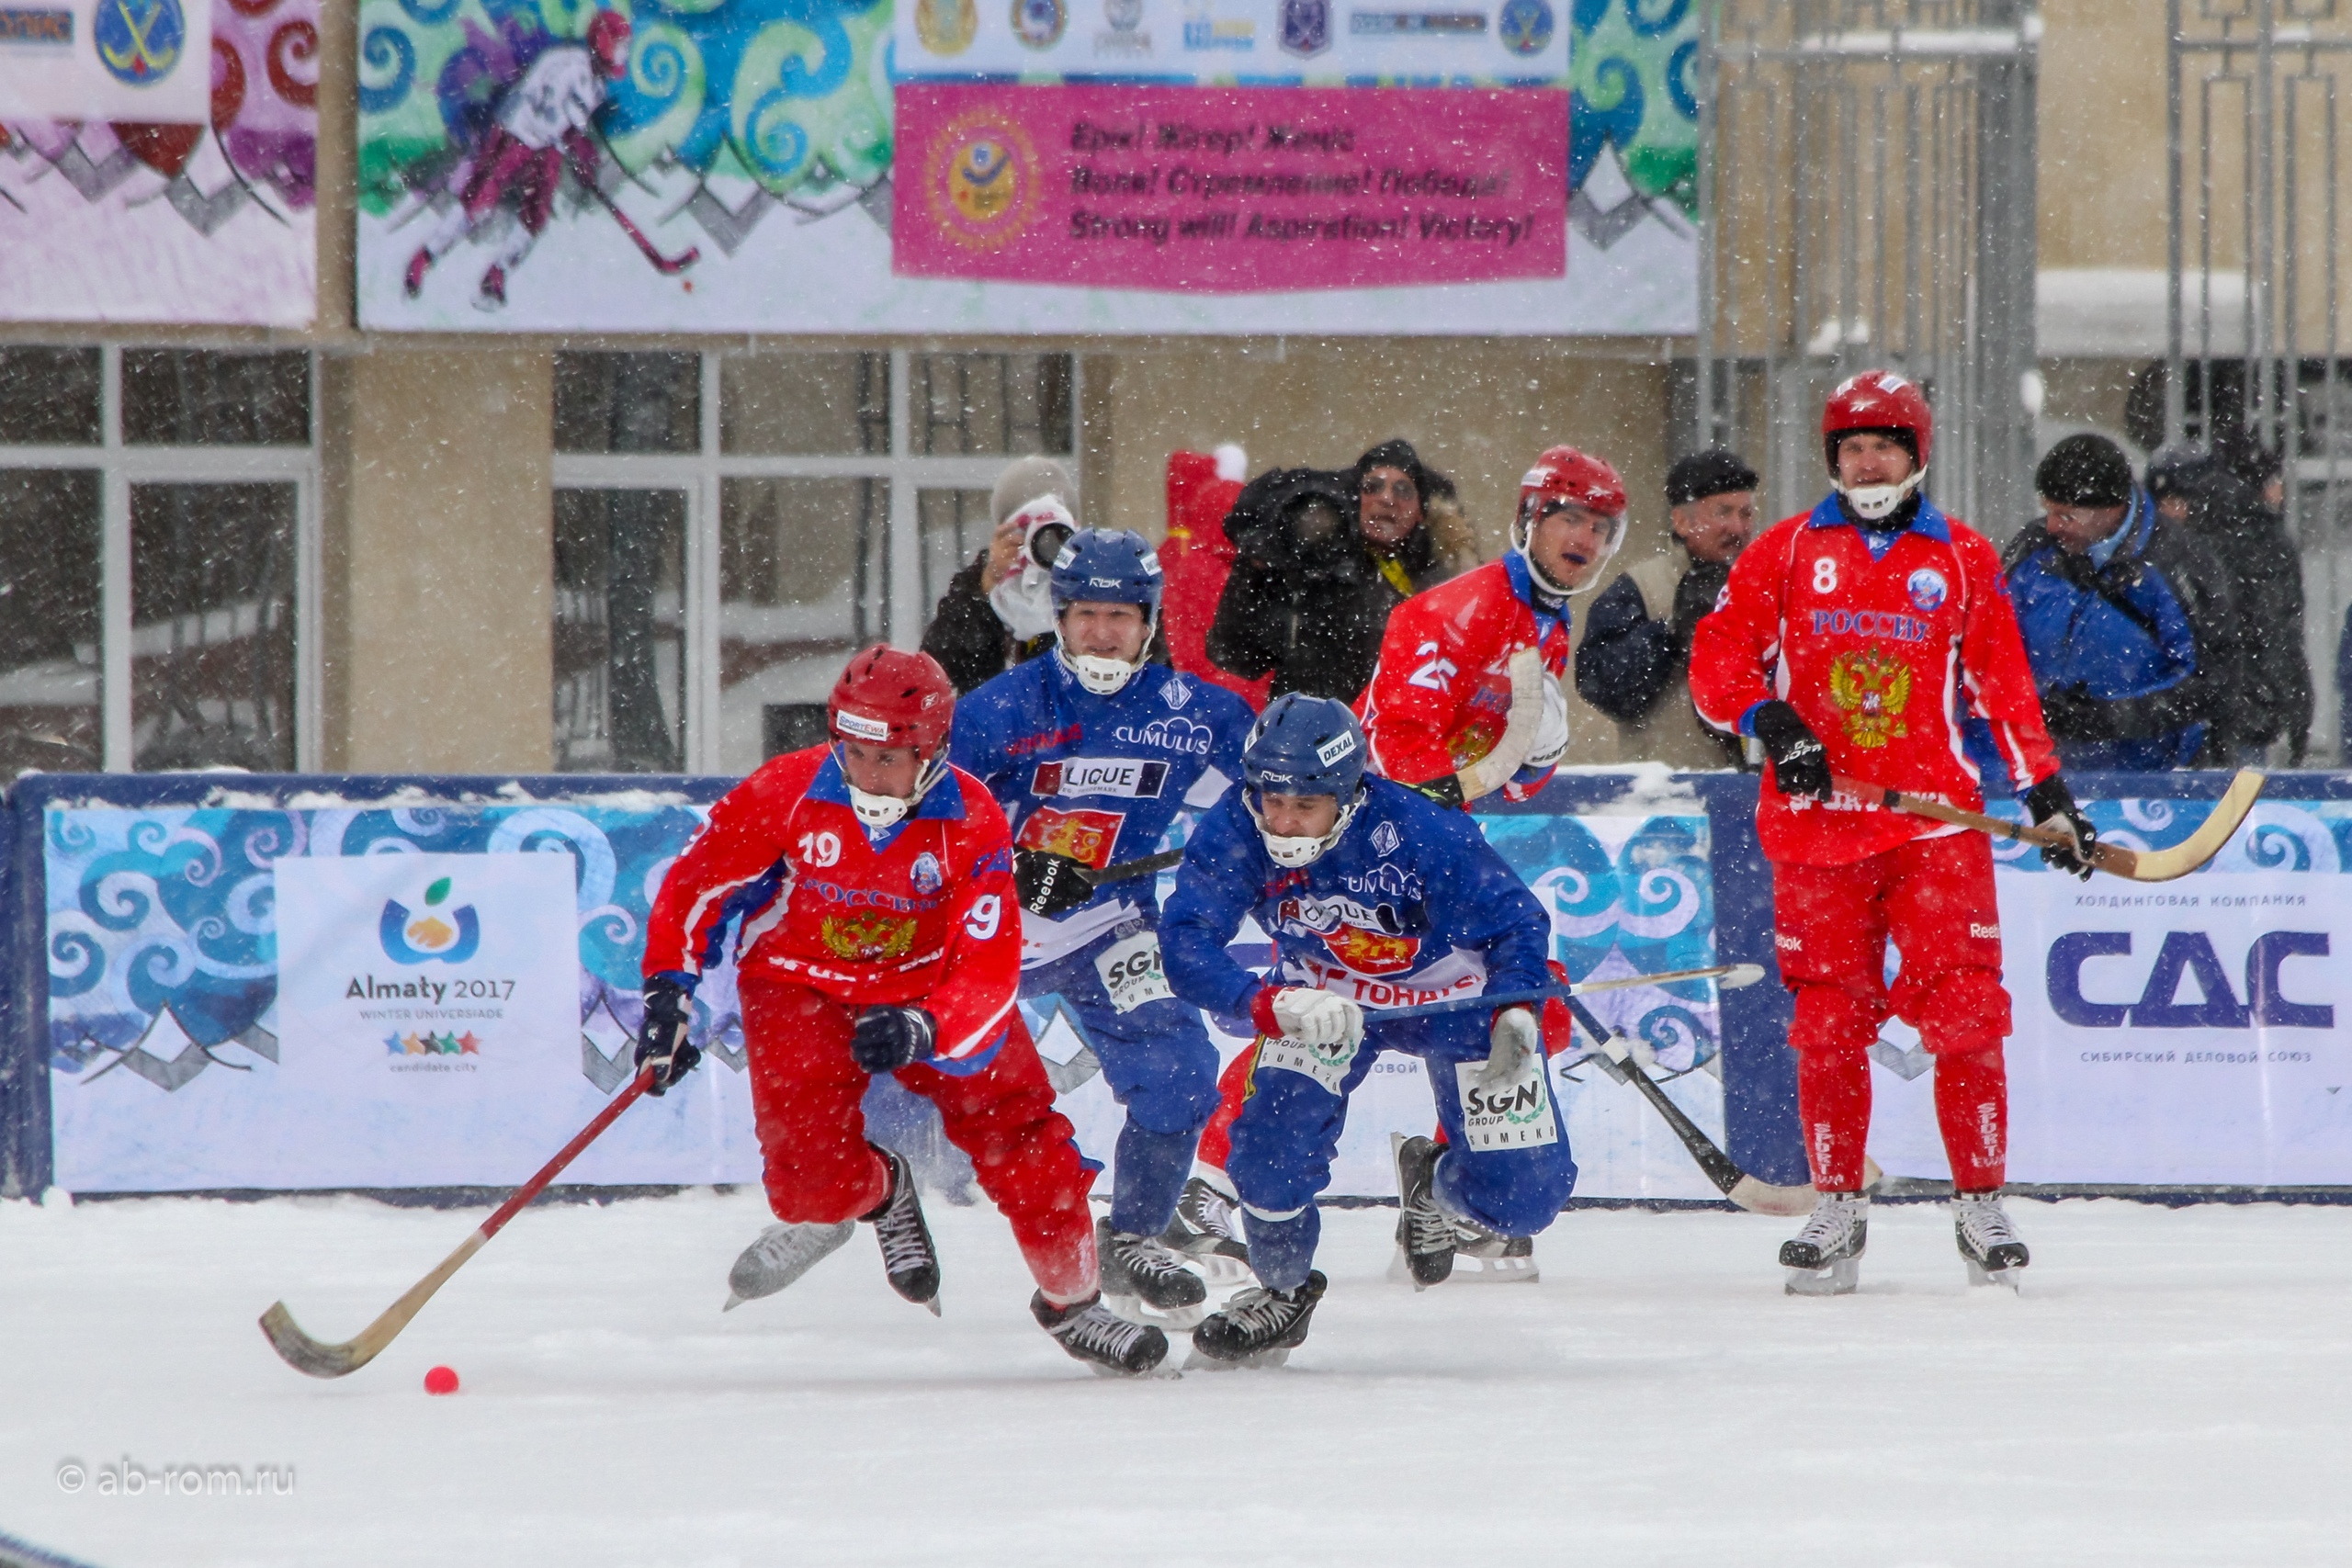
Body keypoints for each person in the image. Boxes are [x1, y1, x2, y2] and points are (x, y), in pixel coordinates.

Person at [633, 644, 1170, 1375]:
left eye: (893, 759)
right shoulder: (784, 789)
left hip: (928, 989)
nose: (871, 776)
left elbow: (988, 964)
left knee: (1026, 1140)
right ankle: (884, 1187)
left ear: (936, 750)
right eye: (855, 754)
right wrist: (669, 994)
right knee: (806, 1190)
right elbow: (694, 889)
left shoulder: (973, 822)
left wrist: (928, 1025)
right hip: (801, 984)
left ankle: (1073, 1305)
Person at [1688, 369, 2097, 1295]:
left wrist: (2046, 792)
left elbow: (2003, 685)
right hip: (1815, 829)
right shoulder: (1785, 552)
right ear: (1832, 458)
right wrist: (1769, 721)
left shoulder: (1961, 554)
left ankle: (1980, 1204)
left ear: (1918, 454)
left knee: (1964, 1013)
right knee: (1827, 1026)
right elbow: (1716, 661)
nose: (1867, 461)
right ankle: (1837, 1209)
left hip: (1929, 830)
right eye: (1850, 447)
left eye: (1884, 445)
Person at [1160, 696, 1576, 1364]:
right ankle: (1283, 1290)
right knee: (1268, 1152)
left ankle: (1434, 1184)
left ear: (1349, 794)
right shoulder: (1235, 826)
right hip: (1323, 1004)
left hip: (1456, 1001)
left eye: (1306, 804)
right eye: (1272, 798)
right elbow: (1186, 943)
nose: (1284, 820)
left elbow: (1516, 922)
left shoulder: (1421, 830)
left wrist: (1515, 1011)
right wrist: (1268, 1002)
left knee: (1524, 1201)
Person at [944, 528, 1258, 1325]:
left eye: (1121, 616)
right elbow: (932, 831)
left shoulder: (1194, 714)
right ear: (1058, 616)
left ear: (1150, 621)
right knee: (913, 1077)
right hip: (990, 935)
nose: (1103, 634)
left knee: (1182, 1075)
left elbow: (1286, 788)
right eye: (1086, 614)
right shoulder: (996, 711)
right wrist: (1009, 868)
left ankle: (1134, 1240)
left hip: (1110, 927)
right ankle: (859, 1198)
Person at [1360, 445, 1626, 807]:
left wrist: (1540, 759)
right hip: (1363, 808)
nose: (1586, 540)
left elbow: (1510, 789)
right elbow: (1400, 735)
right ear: (1532, 517)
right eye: (1572, 519)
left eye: (1600, 528)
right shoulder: (1459, 608)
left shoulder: (1553, 630)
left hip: (1429, 811)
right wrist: (1444, 823)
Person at [2003, 434, 2240, 772]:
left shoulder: (2178, 563)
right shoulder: (2032, 549)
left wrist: (2108, 718)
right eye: (2048, 511)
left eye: (2066, 516)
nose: (2052, 526)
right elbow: (1985, 644)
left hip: (2152, 784)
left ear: (2112, 510)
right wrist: (2028, 706)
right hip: (2039, 775)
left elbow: (2212, 680)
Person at [401, 11, 633, 310]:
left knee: (536, 213)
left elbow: (569, 127)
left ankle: (497, 274)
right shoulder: (566, 64)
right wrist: (577, 143)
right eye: (620, 43)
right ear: (604, 41)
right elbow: (550, 112)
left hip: (548, 145)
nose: (623, 50)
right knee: (479, 200)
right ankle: (425, 258)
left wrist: (580, 157)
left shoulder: (597, 85)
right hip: (518, 131)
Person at [1205, 439, 1466, 703]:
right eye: (1372, 487)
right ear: (1355, 499)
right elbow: (1236, 656)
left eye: (1403, 491)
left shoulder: (1441, 586)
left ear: (1421, 512)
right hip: (1307, 733)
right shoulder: (1318, 570)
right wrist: (1254, 569)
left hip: (1391, 736)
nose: (1387, 499)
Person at [1576, 449, 1758, 768]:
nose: (1737, 527)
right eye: (1723, 512)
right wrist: (1668, 633)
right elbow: (1600, 685)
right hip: (1666, 797)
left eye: (1745, 513)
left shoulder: (1770, 585)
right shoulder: (1641, 587)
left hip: (1757, 795)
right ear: (1682, 521)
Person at [2146, 445, 2312, 763]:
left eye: (2169, 503)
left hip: (2206, 716)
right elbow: (2280, 634)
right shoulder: (2260, 535)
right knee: (2242, 806)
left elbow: (2267, 632)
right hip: (2244, 713)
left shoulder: (2182, 550)